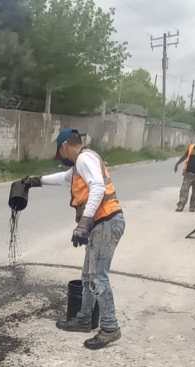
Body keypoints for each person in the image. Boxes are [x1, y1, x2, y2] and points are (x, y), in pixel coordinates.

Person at [22, 128, 125, 350]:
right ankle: (84, 318)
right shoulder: (82, 162)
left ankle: (110, 327)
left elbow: (97, 187)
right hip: (102, 223)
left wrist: (84, 222)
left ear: (64, 146)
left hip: (106, 222)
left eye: (60, 153)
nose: (62, 157)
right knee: (88, 275)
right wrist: (35, 181)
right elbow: (64, 178)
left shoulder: (84, 159)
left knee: (97, 276)